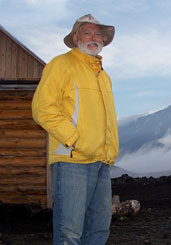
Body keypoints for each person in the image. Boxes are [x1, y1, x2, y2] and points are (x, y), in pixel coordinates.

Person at [32, 14, 119, 245]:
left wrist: (108, 151)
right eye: (87, 32)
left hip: (102, 161)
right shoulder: (61, 64)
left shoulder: (103, 76)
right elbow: (42, 108)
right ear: (75, 37)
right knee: (69, 232)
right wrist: (74, 139)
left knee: (100, 229)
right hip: (72, 161)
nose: (94, 37)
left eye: (98, 33)